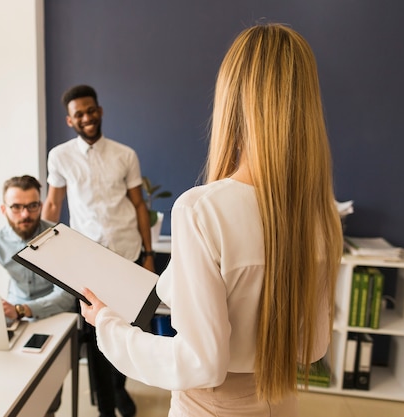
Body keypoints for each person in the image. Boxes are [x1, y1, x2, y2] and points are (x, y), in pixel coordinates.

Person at [79, 23, 344, 417]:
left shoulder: (202, 210)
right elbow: (312, 347)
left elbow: (198, 364)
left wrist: (107, 324)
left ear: (232, 102)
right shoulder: (322, 216)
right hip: (281, 400)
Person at [42, 85, 154, 417]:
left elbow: (138, 204)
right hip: (87, 262)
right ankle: (105, 407)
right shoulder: (59, 156)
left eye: (91, 111)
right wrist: (40, 250)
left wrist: (148, 254)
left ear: (100, 110)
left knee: (126, 330)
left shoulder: (125, 154)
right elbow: (53, 203)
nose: (87, 118)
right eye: (79, 114)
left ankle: (119, 389)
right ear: (70, 120)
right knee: (95, 338)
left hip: (127, 254)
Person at [0, 175, 74, 417]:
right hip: (12, 320)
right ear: (4, 209)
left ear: (40, 205)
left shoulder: (58, 237)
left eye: (32, 206)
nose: (25, 214)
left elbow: (66, 297)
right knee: (8, 384)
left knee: (48, 392)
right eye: (16, 207)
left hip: (54, 317)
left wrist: (22, 310)